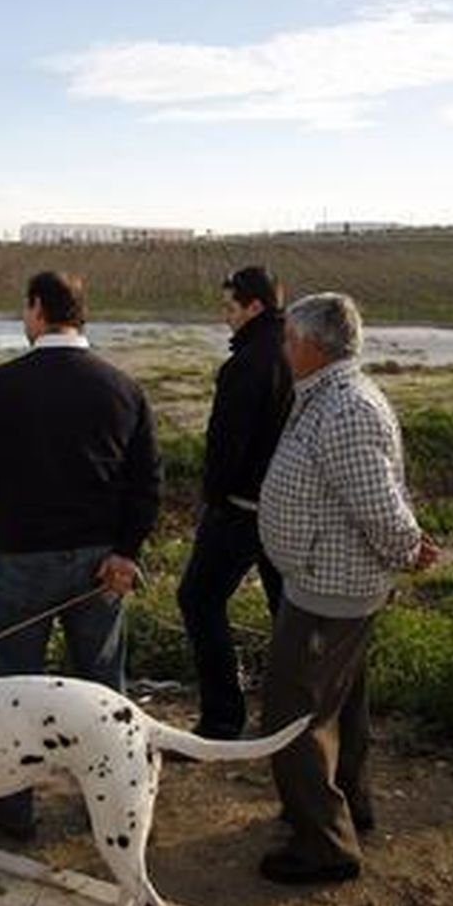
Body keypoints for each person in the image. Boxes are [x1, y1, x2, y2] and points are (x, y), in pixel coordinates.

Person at [0, 270, 161, 841]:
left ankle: (12, 809)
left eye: (26, 311)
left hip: (21, 558)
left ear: (38, 310)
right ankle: (117, 802)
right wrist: (127, 551)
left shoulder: (1, 384)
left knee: (13, 689)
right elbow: (146, 482)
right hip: (101, 564)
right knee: (101, 688)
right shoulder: (123, 387)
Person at [256, 292, 437, 885]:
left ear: (310, 345)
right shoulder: (326, 395)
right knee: (340, 705)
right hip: (322, 582)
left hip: (329, 591)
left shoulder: (346, 408)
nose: (282, 349)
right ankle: (349, 806)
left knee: (294, 714)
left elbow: (379, 505)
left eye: (286, 339)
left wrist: (409, 548)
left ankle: (325, 846)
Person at [176, 265, 293, 740]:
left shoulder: (247, 363)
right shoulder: (295, 350)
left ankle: (222, 720)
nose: (225, 318)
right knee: (287, 613)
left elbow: (227, 444)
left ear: (254, 307)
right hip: (286, 507)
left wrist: (212, 497)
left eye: (230, 307)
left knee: (198, 599)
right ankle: (292, 719)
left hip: (242, 507)